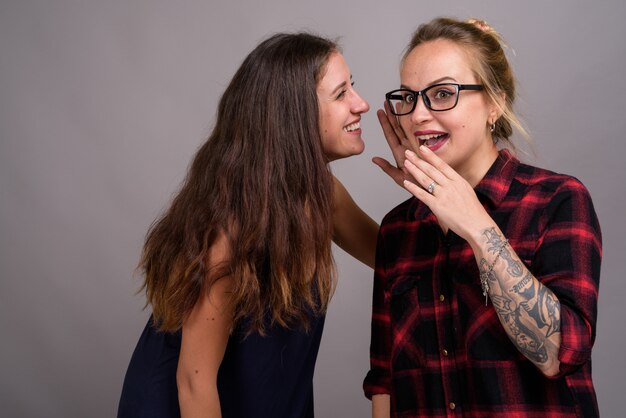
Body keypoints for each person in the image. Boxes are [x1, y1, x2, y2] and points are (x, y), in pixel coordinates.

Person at [117, 32, 382, 418]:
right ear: (296, 114)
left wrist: (425, 173)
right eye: (341, 94)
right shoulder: (228, 235)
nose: (361, 104)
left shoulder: (325, 195)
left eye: (352, 87)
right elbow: (194, 384)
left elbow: (399, 259)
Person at [364, 17, 601, 417]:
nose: (418, 115)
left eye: (442, 94)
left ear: (495, 102)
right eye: (408, 97)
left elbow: (557, 354)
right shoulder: (398, 228)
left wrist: (475, 224)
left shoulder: (558, 200)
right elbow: (385, 380)